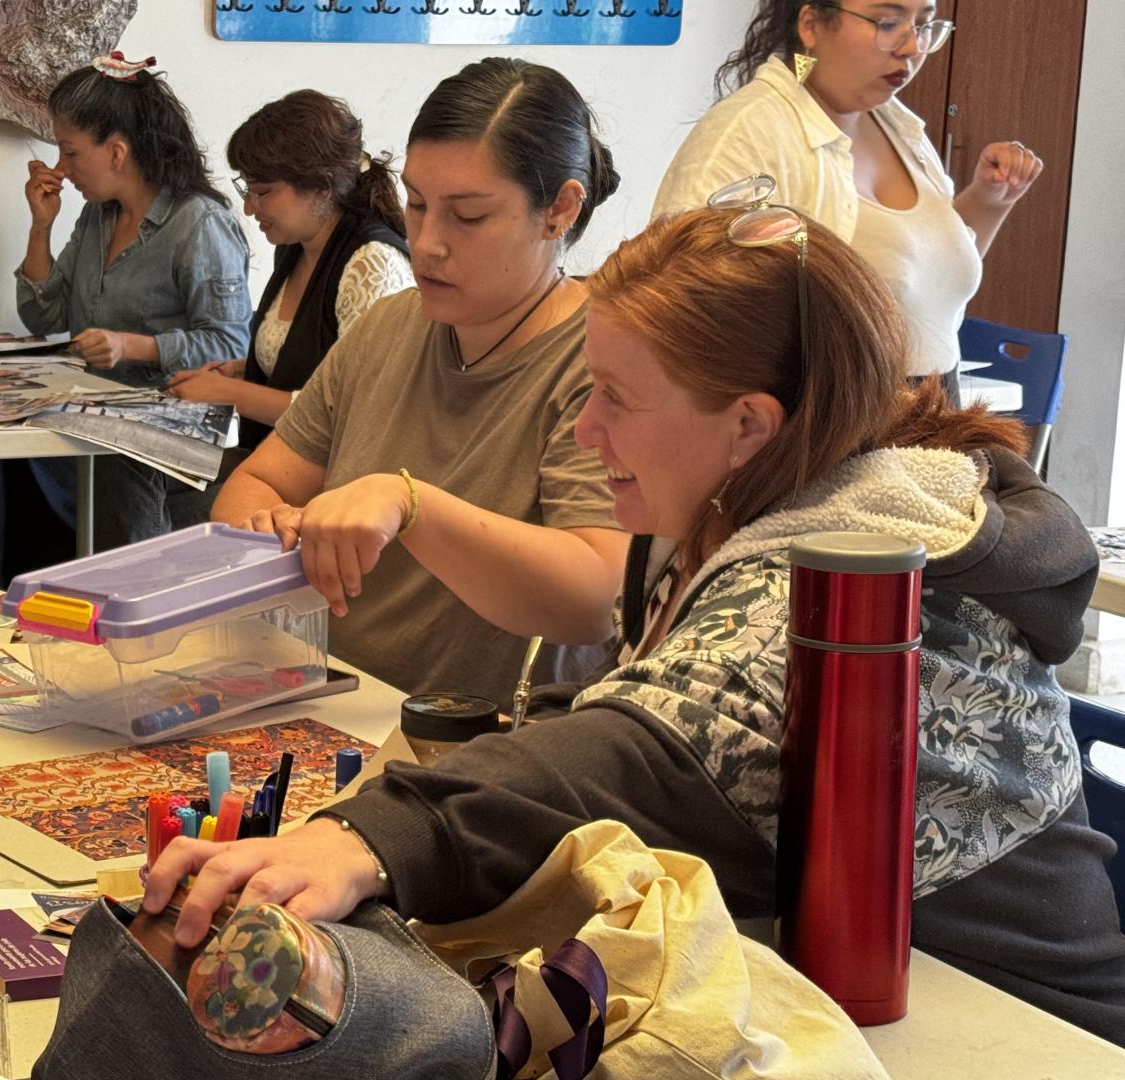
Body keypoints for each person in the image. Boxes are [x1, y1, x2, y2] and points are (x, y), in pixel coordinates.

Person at [148, 206, 1125, 1044]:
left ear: (749, 425)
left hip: (1014, 1033)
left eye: (616, 398)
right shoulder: (746, 509)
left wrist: (374, 837)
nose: (586, 431)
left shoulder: (846, 575)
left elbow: (653, 747)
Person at [210, 58, 628, 704]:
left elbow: (597, 598)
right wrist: (277, 531)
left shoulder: (600, 357)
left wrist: (408, 504)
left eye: (467, 216)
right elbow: (252, 487)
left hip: (471, 760)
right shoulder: (388, 328)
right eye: (417, 203)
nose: (427, 243)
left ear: (560, 210)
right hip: (331, 712)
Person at [657, 0, 1044, 391]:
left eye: (925, 26)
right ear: (811, 24)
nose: (912, 47)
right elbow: (683, 311)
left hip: (930, 412)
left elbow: (926, 281)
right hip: (828, 419)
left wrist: (991, 200)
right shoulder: (745, 134)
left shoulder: (898, 125)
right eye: (888, 23)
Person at [17, 53, 252, 548]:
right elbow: (45, 318)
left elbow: (231, 344)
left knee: (115, 466)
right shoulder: (96, 218)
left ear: (117, 153)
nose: (62, 168)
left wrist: (136, 347)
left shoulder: (199, 224)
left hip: (172, 425)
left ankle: (123, 605)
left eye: (70, 152)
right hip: (94, 413)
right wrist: (42, 227)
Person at [164, 90, 412, 528]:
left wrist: (233, 394)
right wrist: (245, 370)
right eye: (248, 189)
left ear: (319, 185)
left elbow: (357, 413)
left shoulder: (371, 263)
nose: (248, 207)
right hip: (281, 462)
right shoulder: (297, 248)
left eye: (262, 192)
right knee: (146, 477)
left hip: (336, 487)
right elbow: (315, 359)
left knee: (171, 509)